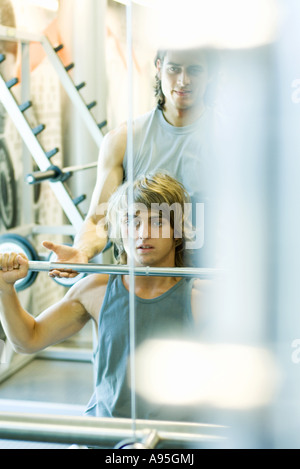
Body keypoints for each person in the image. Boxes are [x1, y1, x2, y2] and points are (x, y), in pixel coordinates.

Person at [0, 173, 211, 421]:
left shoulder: (201, 298)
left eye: (157, 222)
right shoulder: (95, 290)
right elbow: (28, 340)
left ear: (178, 232)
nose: (143, 234)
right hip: (106, 435)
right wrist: (5, 289)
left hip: (175, 440)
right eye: (131, 221)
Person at [43, 47, 220, 277]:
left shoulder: (233, 140)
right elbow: (99, 218)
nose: (183, 80)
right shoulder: (124, 139)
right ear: (158, 68)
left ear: (210, 74)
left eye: (194, 70)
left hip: (208, 282)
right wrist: (82, 251)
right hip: (141, 283)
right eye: (174, 69)